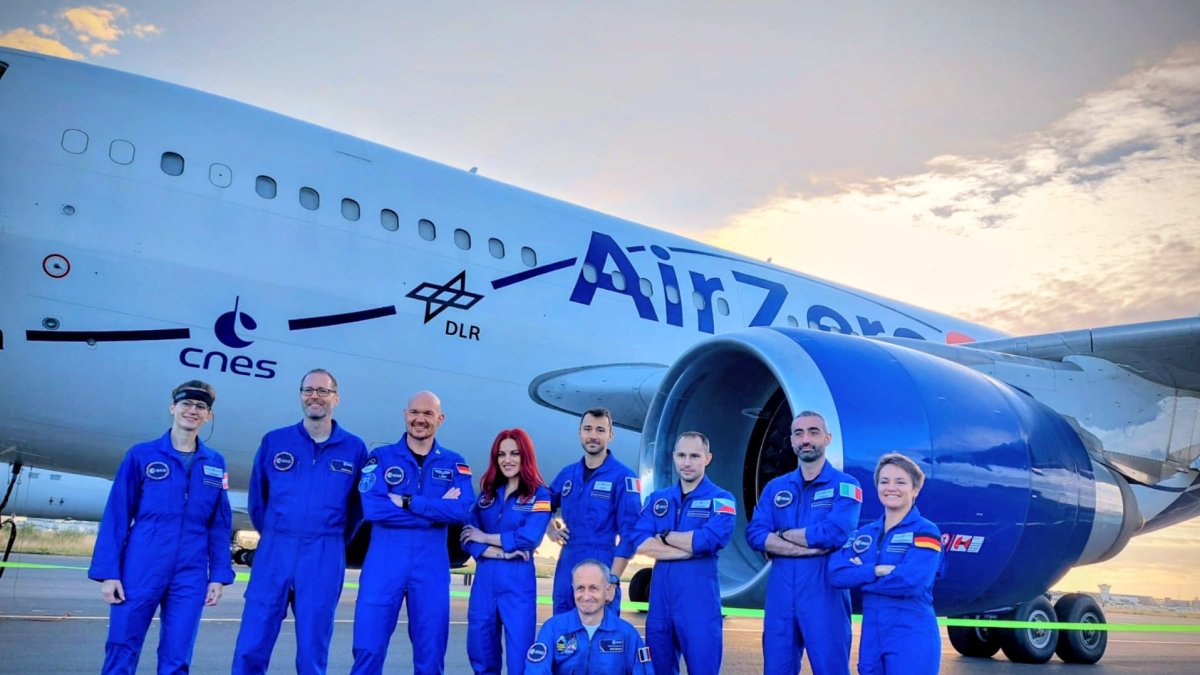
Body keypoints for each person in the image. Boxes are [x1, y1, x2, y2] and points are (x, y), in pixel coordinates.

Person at [88, 380, 234, 674]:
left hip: (190, 574)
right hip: (140, 566)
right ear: (173, 408)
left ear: (209, 416)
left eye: (201, 407)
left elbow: (220, 524)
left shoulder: (215, 463)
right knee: (122, 646)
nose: (192, 411)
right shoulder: (141, 455)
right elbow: (117, 515)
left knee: (177, 655)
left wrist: (218, 575)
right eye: (186, 404)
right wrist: (108, 573)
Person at [231, 369, 368, 675]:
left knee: (313, 648)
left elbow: (358, 508)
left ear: (336, 398)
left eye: (323, 391)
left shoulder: (354, 448)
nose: (314, 397)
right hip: (275, 550)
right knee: (252, 643)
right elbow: (258, 498)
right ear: (300, 395)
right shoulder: (274, 441)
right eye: (308, 390)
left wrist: (330, 538)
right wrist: (277, 533)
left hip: (323, 554)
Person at [351, 390, 475, 675]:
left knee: (430, 652)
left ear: (440, 419)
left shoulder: (455, 463)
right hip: (384, 564)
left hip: (430, 568)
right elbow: (373, 508)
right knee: (368, 648)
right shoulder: (381, 457)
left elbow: (460, 511)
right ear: (405, 415)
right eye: (415, 412)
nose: (421, 419)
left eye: (428, 413)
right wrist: (434, 513)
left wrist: (409, 502)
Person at [745, 410, 862, 675]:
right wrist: (803, 545)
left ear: (827, 438)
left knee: (830, 669)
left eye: (813, 432)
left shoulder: (845, 485)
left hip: (824, 595)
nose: (805, 439)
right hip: (780, 598)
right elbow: (755, 534)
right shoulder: (775, 488)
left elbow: (835, 532)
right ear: (792, 440)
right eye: (799, 433)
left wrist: (780, 536)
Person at [829, 453, 944, 675]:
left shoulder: (925, 531)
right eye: (884, 481)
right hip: (872, 637)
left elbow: (912, 582)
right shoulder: (865, 534)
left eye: (900, 482)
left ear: (915, 490)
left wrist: (860, 576)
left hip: (911, 636)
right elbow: (835, 574)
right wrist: (875, 570)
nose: (891, 487)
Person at [632, 432, 735, 675]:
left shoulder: (722, 499)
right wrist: (689, 550)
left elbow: (711, 538)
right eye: (681, 455)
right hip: (660, 607)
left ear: (707, 458)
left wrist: (666, 536)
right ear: (674, 457)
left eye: (694, 456)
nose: (687, 462)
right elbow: (640, 541)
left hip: (699, 607)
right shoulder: (658, 499)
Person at [461, 428, 553, 675]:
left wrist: (486, 537)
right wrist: (500, 552)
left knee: (520, 661)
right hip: (484, 585)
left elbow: (529, 537)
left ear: (525, 456)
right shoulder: (487, 495)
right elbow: (467, 537)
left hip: (517, 587)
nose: (507, 460)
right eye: (501, 454)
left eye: (514, 453)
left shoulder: (540, 495)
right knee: (481, 655)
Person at [545, 407, 641, 614]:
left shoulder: (624, 477)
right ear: (580, 433)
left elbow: (630, 534)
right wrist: (550, 527)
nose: (593, 436)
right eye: (588, 429)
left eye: (600, 430)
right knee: (563, 634)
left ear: (610, 435)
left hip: (603, 562)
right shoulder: (568, 474)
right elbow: (543, 504)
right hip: (568, 562)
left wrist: (612, 580)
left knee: (600, 636)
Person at [525, 559, 654, 675]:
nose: (586, 596)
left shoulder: (627, 634)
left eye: (593, 588)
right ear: (573, 589)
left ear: (608, 590)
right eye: (580, 588)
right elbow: (536, 671)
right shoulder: (552, 629)